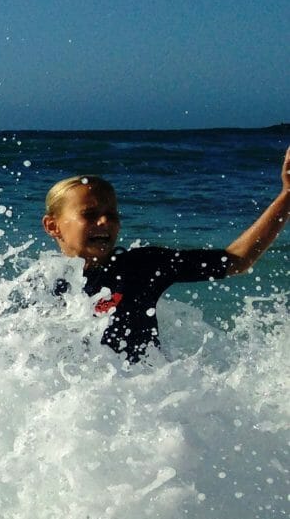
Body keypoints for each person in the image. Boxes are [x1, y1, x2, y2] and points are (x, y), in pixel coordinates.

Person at [42, 148, 290, 360]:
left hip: (144, 399)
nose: (105, 221)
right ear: (53, 226)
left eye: (113, 214)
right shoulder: (43, 284)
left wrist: (287, 195)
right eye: (90, 214)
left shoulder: (143, 266)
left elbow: (238, 259)